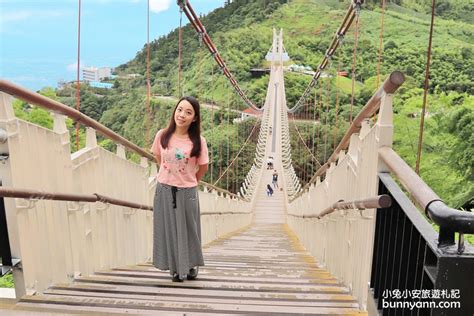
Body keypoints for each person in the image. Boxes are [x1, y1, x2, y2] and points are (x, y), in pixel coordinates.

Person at [150, 96, 209, 283]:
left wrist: (189, 180)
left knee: (189, 230)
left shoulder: (199, 141)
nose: (182, 115)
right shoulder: (162, 135)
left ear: (195, 118)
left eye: (188, 112)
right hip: (164, 190)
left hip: (187, 191)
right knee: (169, 228)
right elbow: (159, 158)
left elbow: (203, 167)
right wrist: (169, 176)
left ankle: (191, 265)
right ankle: (175, 269)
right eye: (179, 109)